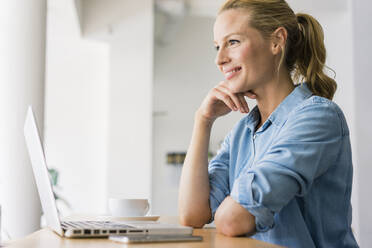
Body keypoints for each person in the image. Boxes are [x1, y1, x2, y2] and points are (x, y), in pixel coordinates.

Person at [178, 0, 359, 247]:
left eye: (233, 42)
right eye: (217, 47)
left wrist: (231, 206)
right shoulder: (243, 131)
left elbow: (232, 220)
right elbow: (192, 215)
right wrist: (203, 120)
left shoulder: (317, 117)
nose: (219, 59)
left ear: (276, 41)